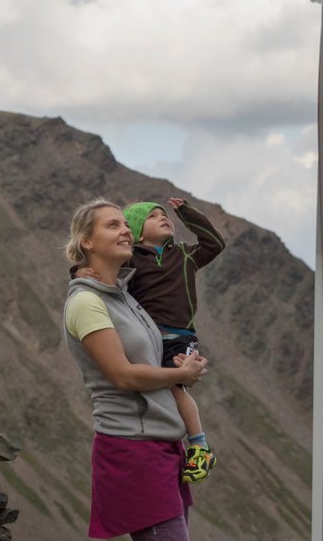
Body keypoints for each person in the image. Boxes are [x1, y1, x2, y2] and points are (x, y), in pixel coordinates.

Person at [63, 198, 210, 541]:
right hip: (133, 447)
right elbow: (122, 376)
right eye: (112, 226)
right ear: (87, 242)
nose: (125, 231)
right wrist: (180, 379)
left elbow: (149, 360)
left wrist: (181, 366)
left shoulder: (121, 296)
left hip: (156, 443)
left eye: (125, 225)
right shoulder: (85, 303)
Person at [77, 196, 225, 483]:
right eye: (154, 216)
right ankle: (172, 443)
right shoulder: (129, 261)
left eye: (164, 215)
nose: (163, 218)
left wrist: (186, 212)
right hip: (148, 336)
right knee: (155, 386)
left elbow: (215, 244)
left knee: (175, 388)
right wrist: (78, 271)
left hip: (182, 337)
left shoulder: (184, 255)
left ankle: (199, 445)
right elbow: (102, 271)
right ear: (138, 233)